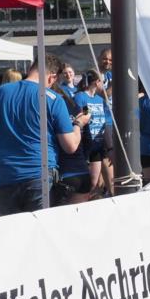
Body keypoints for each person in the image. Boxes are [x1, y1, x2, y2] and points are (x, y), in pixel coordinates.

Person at [0, 54, 81, 217]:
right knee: (39, 235)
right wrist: (78, 125)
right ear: (52, 77)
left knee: (7, 234)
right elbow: (70, 145)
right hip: (40, 176)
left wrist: (5, 147)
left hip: (4, 174)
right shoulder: (53, 99)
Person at [52, 71, 93, 206]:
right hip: (82, 172)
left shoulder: (50, 109)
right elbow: (88, 139)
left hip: (63, 175)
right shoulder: (75, 108)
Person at [74, 69, 110, 194]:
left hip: (98, 145)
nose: (104, 85)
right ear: (97, 82)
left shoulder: (99, 99)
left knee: (95, 184)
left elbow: (106, 121)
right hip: (85, 145)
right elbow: (81, 118)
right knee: (89, 184)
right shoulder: (80, 97)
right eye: (103, 82)